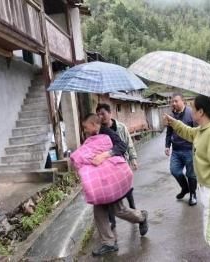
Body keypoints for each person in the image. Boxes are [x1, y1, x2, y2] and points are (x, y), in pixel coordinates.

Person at [164, 95, 210, 262]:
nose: (190, 111)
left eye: (192, 107)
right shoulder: (203, 130)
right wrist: (173, 122)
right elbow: (188, 132)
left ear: (201, 112)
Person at [81, 114, 149, 257]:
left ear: (94, 125)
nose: (85, 130)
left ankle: (141, 217)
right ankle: (109, 243)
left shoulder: (107, 132)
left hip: (111, 179)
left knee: (119, 210)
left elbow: (122, 146)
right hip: (100, 180)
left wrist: (105, 154)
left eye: (86, 127)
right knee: (99, 212)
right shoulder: (90, 137)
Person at [96, 103, 138, 210]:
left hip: (123, 161)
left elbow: (128, 143)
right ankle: (112, 219)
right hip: (109, 165)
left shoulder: (121, 127)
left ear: (110, 113)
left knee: (127, 186)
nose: (101, 117)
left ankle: (133, 208)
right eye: (98, 115)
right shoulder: (100, 131)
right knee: (110, 189)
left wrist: (133, 158)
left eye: (103, 114)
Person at [165, 93, 197, 206]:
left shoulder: (191, 114)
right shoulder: (171, 116)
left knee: (191, 174)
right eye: (172, 101)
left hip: (189, 149)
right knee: (175, 171)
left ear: (183, 101)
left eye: (176, 101)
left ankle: (193, 195)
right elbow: (169, 132)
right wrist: (167, 146)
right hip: (176, 150)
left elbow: (196, 132)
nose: (173, 103)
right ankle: (185, 188)